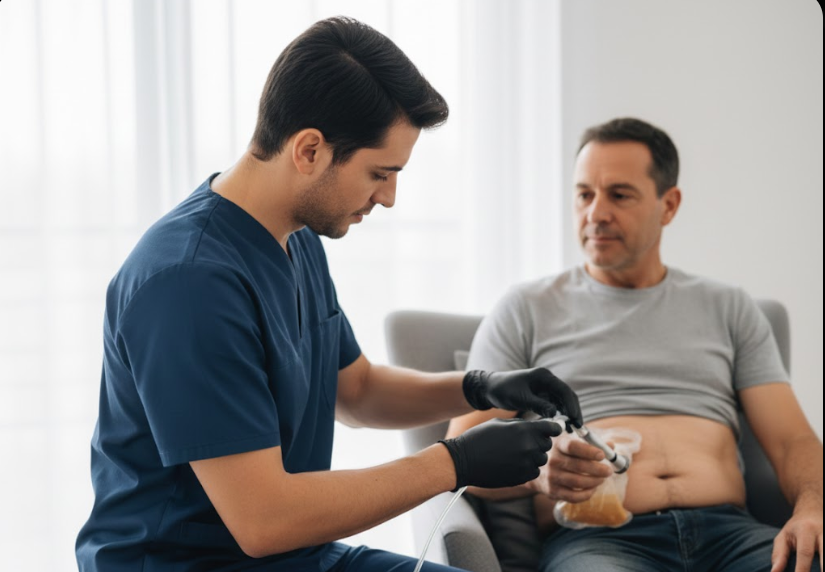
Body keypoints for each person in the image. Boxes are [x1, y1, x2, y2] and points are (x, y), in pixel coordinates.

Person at [74, 17, 583, 572]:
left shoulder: (295, 238)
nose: (388, 197)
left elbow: (357, 391)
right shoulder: (187, 283)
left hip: (295, 556)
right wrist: (454, 462)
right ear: (310, 149)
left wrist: (482, 388)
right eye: (379, 173)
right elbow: (263, 521)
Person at [448, 117, 823, 572]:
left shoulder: (728, 307)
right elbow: (462, 450)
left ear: (669, 205)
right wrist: (538, 475)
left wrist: (812, 509)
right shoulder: (526, 308)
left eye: (619, 195)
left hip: (732, 535)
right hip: (598, 543)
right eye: (584, 194)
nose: (596, 213)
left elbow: (791, 442)